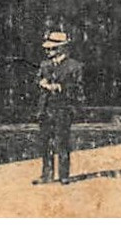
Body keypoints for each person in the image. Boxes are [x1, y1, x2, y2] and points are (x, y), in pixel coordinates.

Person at [34, 30, 84, 185]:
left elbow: (78, 89)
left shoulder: (74, 67)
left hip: (63, 109)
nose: (48, 52)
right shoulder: (45, 65)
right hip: (46, 108)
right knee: (45, 142)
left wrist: (59, 87)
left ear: (62, 48)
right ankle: (47, 174)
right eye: (47, 49)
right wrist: (41, 84)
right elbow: (38, 82)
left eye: (52, 49)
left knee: (62, 142)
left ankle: (64, 175)